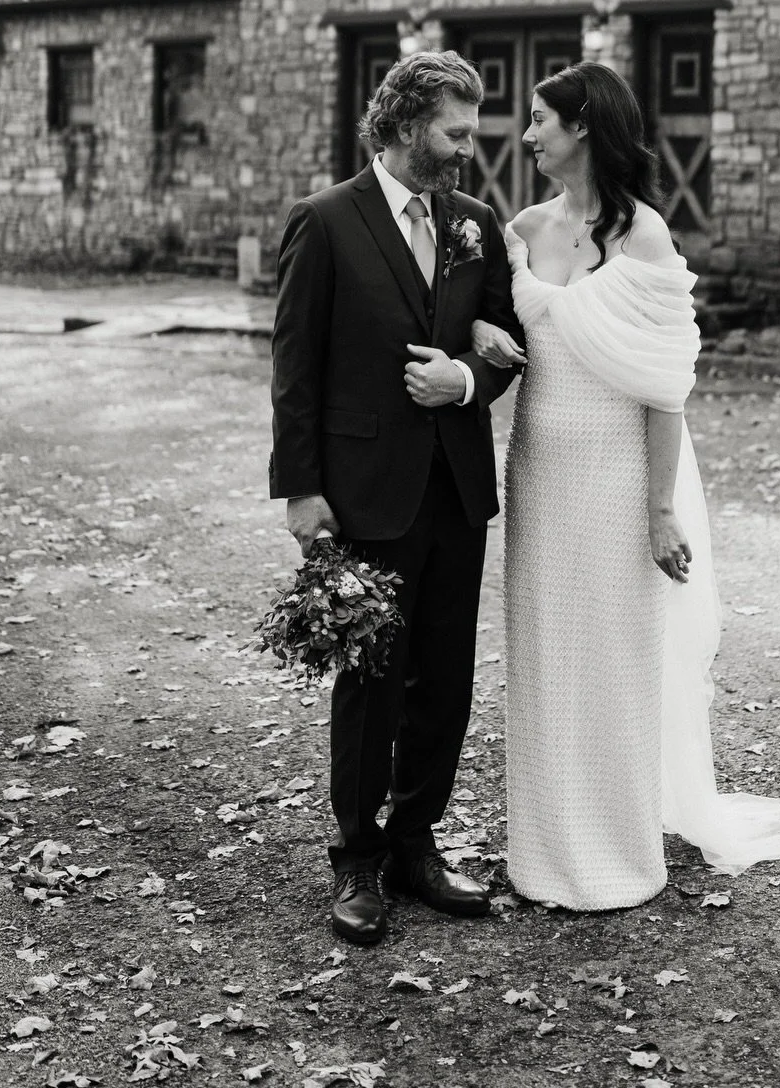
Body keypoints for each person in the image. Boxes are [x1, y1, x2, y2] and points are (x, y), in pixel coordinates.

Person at [472, 61, 780, 910]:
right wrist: (481, 337)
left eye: (539, 120)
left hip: (615, 478)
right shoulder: (522, 227)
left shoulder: (643, 236)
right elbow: (487, 322)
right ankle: (543, 846)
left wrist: (656, 510)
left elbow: (664, 387)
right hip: (539, 468)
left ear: (582, 127)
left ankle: (615, 844)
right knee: (542, 653)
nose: (526, 135)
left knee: (612, 654)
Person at [271, 50, 524, 945]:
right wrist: (300, 489)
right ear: (407, 123)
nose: (467, 146)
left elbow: (505, 340)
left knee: (445, 677)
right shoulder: (326, 220)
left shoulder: (477, 224)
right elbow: (295, 368)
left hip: (455, 489)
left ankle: (417, 843)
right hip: (365, 493)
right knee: (369, 682)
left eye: (472, 131)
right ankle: (357, 858)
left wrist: (464, 380)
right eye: (455, 130)